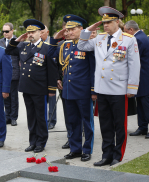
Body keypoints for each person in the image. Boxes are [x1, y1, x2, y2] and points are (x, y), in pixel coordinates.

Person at [77, 6, 140, 166]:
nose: (105, 25)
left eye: (108, 22)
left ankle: (118, 155)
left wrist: (132, 88)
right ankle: (106, 155)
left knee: (119, 125)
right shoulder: (99, 38)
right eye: (103, 23)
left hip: (119, 89)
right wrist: (90, 29)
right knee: (105, 125)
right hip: (102, 88)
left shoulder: (128, 39)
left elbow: (134, 65)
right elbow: (81, 46)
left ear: (117, 22)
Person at [5, 19, 58, 153]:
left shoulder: (46, 48)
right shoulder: (23, 46)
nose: (30, 34)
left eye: (33, 32)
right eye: (28, 32)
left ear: (40, 33)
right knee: (31, 116)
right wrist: (17, 40)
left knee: (40, 116)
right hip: (26, 87)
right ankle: (32, 141)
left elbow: (52, 70)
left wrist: (51, 89)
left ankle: (41, 142)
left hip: (40, 88)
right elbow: (8, 51)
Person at [52, 15, 96, 161]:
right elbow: (50, 54)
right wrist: (54, 38)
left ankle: (87, 150)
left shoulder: (88, 45)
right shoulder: (64, 45)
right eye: (67, 29)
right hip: (68, 90)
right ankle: (75, 149)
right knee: (72, 121)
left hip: (83, 90)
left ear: (81, 29)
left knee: (87, 122)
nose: (68, 32)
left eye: (72, 29)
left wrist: (93, 90)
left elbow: (92, 69)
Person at [124, 21, 149, 138]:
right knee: (140, 102)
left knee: (145, 104)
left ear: (130, 30)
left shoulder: (138, 39)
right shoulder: (141, 37)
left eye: (125, 31)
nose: (125, 34)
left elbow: (132, 58)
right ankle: (142, 127)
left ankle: (144, 127)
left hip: (143, 76)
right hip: (142, 76)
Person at [0, 22, 20, 126]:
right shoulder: (0, 42)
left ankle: (14, 117)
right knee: (5, 95)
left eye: (7, 31)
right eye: (3, 31)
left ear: (12, 31)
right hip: (3, 73)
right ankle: (7, 116)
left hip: (15, 71)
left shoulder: (18, 41)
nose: (4, 33)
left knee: (14, 96)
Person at [40, 25, 57, 130]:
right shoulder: (38, 44)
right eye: (39, 32)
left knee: (51, 99)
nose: (40, 34)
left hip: (52, 76)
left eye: (42, 32)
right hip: (41, 77)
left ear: (47, 32)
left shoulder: (53, 43)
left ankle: (51, 120)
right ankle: (43, 120)